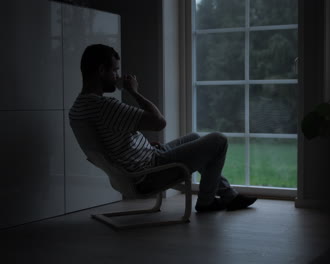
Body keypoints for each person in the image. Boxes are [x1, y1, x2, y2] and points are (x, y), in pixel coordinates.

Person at [69, 44, 257, 212]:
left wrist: (143, 147)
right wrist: (133, 91)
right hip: (148, 174)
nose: (117, 76)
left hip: (145, 161)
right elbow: (159, 122)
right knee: (218, 140)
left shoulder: (78, 108)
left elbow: (111, 145)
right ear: (101, 70)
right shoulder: (104, 107)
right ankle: (206, 202)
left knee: (194, 137)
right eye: (115, 71)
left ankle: (228, 195)